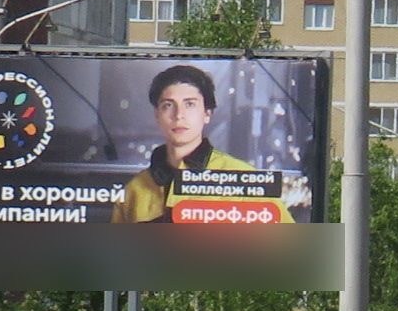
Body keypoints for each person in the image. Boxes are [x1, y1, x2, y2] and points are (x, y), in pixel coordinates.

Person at [117, 63, 296, 224]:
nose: (179, 115)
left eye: (190, 104)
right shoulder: (135, 190)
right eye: (168, 105)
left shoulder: (243, 180)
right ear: (157, 115)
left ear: (207, 114)